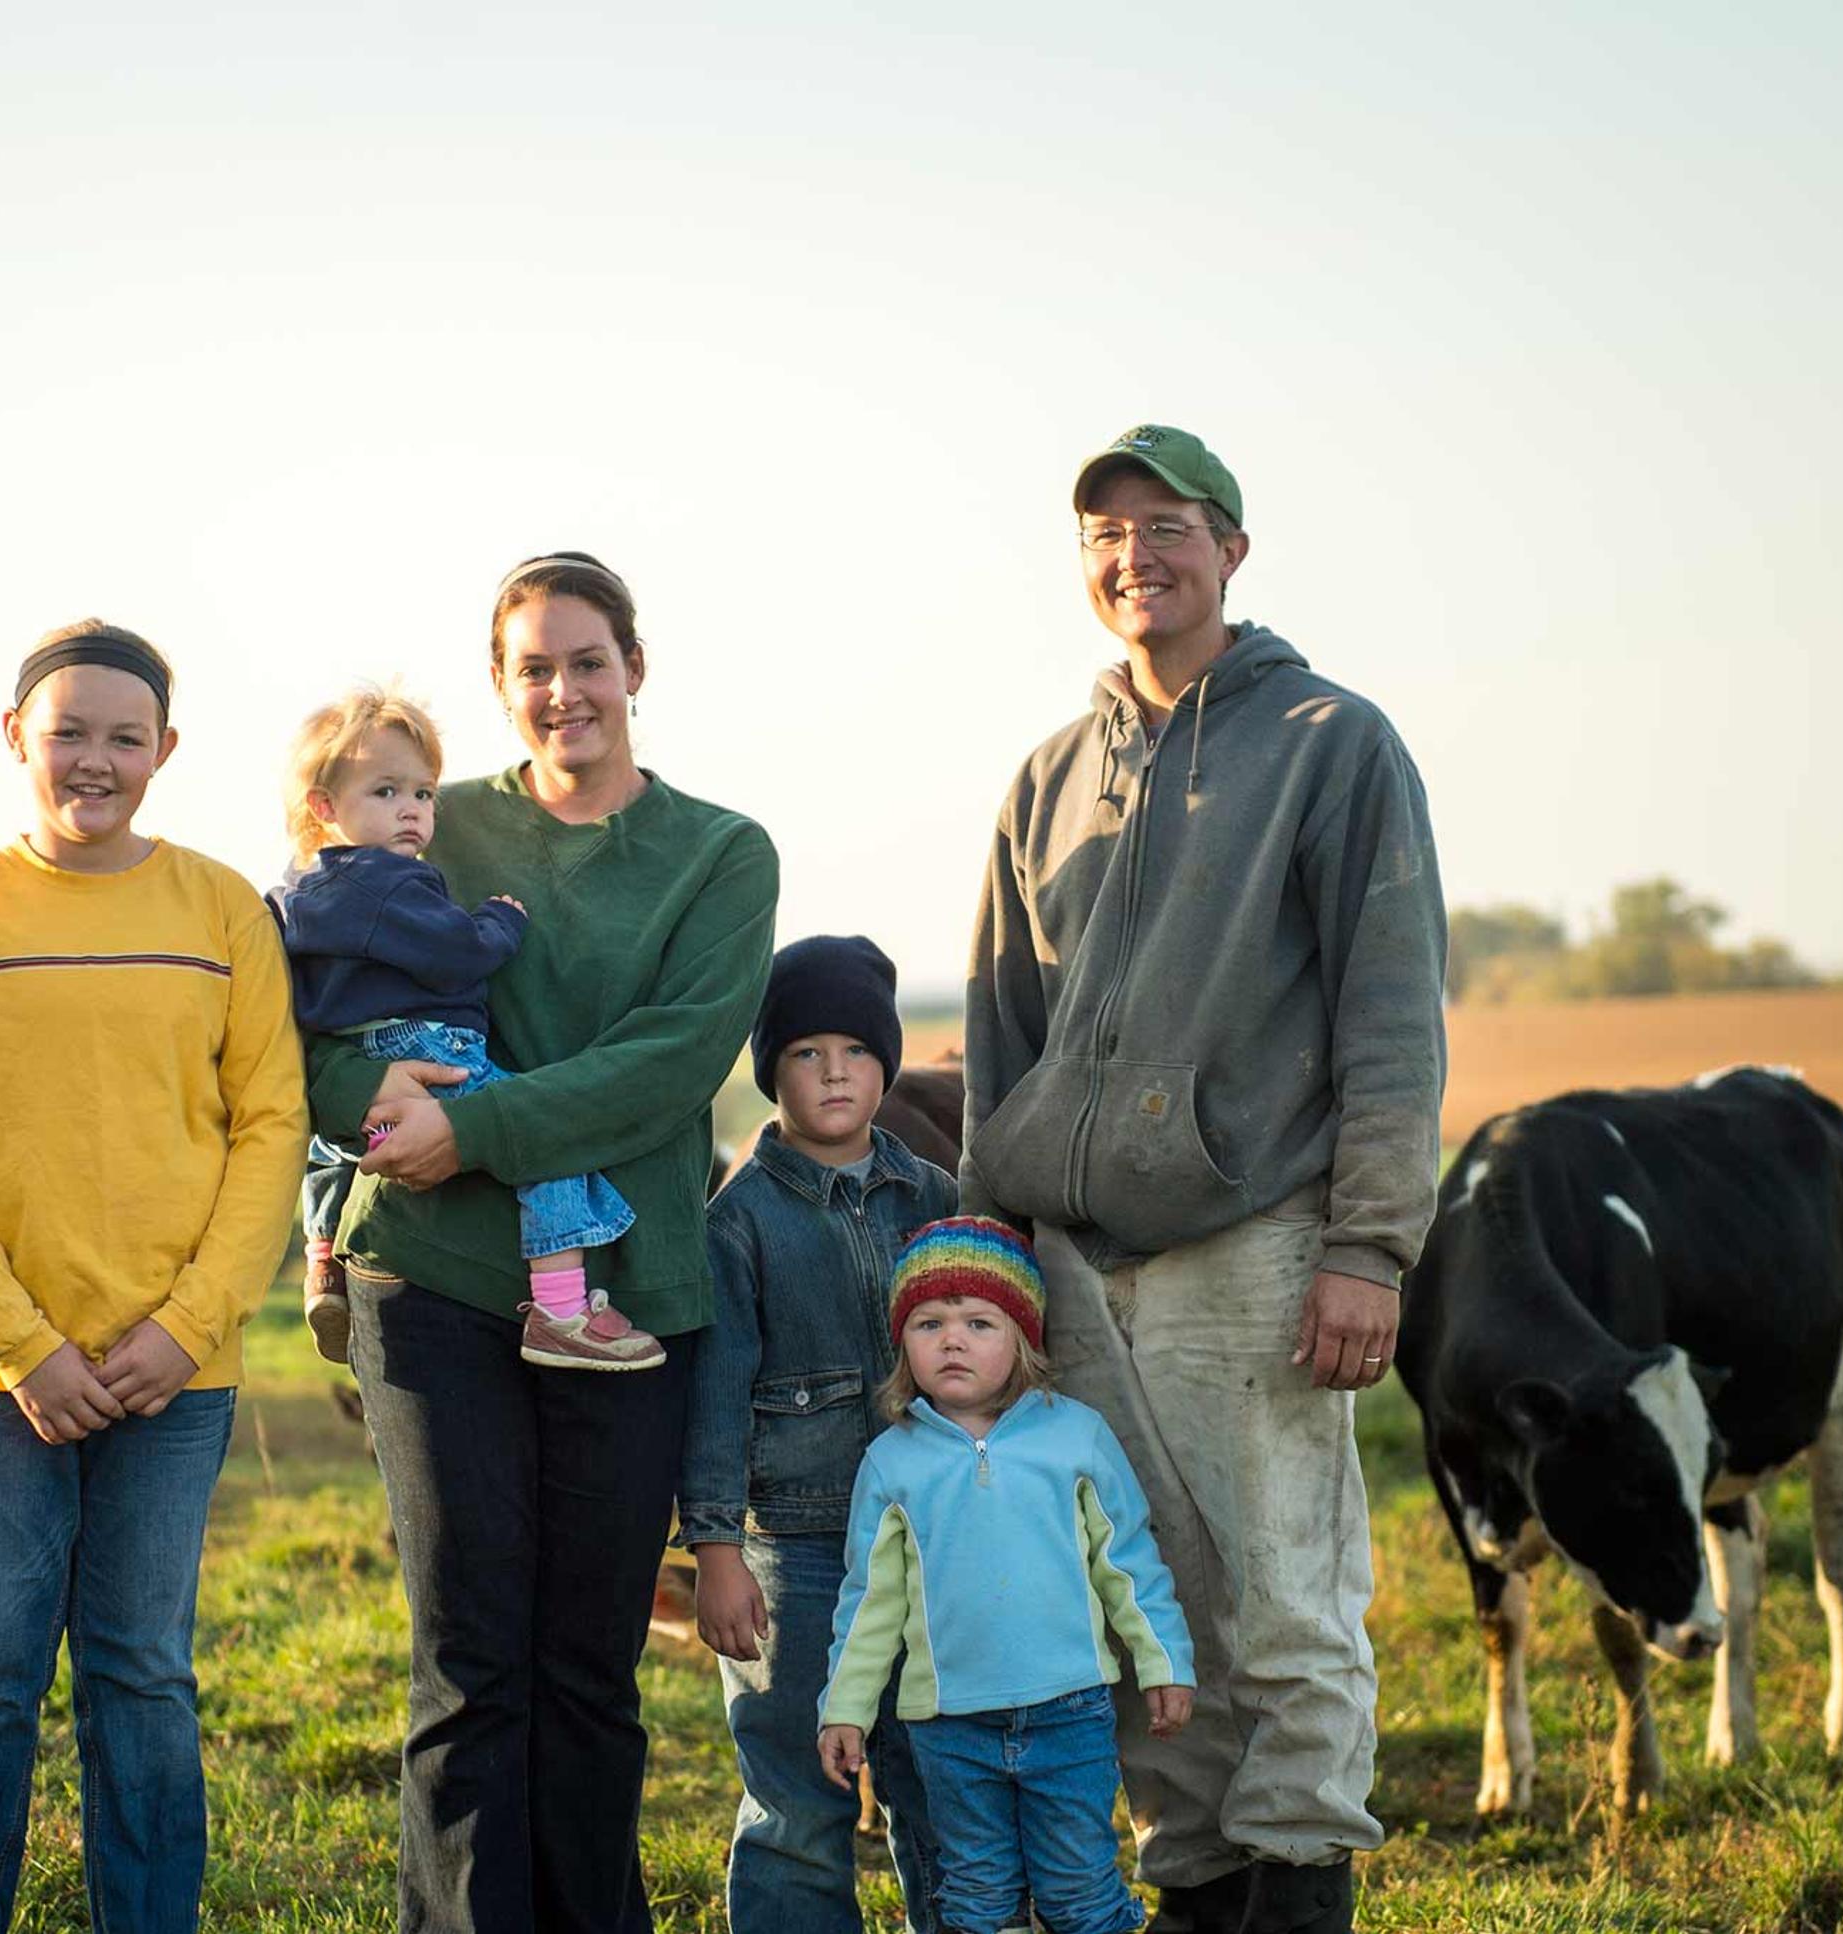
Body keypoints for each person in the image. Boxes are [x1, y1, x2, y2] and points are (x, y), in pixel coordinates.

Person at [962, 426, 1447, 1934]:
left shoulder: (1330, 740)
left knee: (1280, 1599)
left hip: (1256, 1242)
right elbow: (1000, 1030)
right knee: (1134, 1604)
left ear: (1232, 546)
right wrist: (992, 1246)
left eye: (1165, 525)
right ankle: (1196, 1881)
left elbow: (1390, 1008)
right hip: (1072, 1260)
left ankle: (1299, 1884)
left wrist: (1369, 1247)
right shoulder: (1048, 775)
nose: (1134, 556)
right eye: (1105, 534)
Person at [311, 551, 778, 1931]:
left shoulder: (720, 852)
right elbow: (320, 1012)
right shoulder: (427, 822)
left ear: (636, 666)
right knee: (469, 1662)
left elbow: (673, 1059)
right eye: (532, 667)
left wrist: (482, 1127)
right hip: (436, 1277)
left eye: (586, 659)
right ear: (501, 688)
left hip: (626, 1294)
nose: (563, 689)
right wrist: (375, 1107)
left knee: (588, 1663)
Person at [0, 619, 309, 1934]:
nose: (95, 760)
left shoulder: (224, 909)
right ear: (18, 738)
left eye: (126, 736)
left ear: (166, 749)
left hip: (176, 1375)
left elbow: (270, 1128)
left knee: (144, 1677)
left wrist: (186, 1325)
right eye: (69, 731)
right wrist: (22, 1343)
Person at [679, 934, 956, 1932]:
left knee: (938, 1777)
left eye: (853, 1048)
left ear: (886, 1061)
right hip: (794, 1547)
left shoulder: (935, 1198)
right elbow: (713, 1398)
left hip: (929, 1543)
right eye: (805, 1051)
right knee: (799, 1791)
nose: (833, 1069)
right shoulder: (739, 1221)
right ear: (771, 1072)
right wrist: (716, 1548)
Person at [819, 1218, 1195, 1934]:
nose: (951, 1339)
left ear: (1022, 1337)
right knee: (978, 1899)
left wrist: (1164, 1662)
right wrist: (846, 1708)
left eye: (979, 1322)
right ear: (903, 1342)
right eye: (928, 1322)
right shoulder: (893, 1464)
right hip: (949, 1727)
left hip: (1070, 1712)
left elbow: (1129, 1564)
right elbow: (868, 1604)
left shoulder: (1075, 1436)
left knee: (1079, 1891)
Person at [274, 682, 660, 1371]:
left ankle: (323, 1261)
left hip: (355, 1054)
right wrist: (500, 920)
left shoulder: (298, 893)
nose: (413, 813)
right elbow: (457, 953)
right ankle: (562, 1309)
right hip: (431, 1047)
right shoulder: (393, 882)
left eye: (423, 794)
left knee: (334, 1150)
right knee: (546, 1140)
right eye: (385, 792)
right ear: (325, 806)